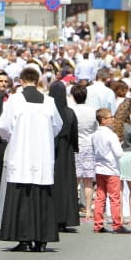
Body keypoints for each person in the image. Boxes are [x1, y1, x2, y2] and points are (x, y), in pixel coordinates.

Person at [0, 67, 63, 252]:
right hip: (42, 155)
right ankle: (42, 239)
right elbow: (57, 126)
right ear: (37, 81)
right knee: (42, 195)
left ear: (22, 80)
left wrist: (15, 137)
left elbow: (4, 126)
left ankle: (24, 239)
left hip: (21, 153)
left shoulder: (15, 100)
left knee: (22, 196)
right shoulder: (49, 102)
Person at [91, 108, 131, 234]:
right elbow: (119, 153)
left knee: (100, 197)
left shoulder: (95, 134)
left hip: (99, 167)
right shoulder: (111, 135)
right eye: (110, 117)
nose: (112, 119)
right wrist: (119, 144)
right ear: (103, 120)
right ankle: (117, 224)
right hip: (111, 168)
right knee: (114, 197)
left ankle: (98, 224)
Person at [49, 81, 80, 232]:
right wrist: (74, 146)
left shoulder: (48, 111)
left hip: (50, 151)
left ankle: (51, 217)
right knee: (66, 185)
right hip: (66, 152)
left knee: (52, 184)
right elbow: (74, 134)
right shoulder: (69, 112)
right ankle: (65, 218)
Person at [113, 98, 131, 225]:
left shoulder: (112, 128)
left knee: (118, 189)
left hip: (116, 157)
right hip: (129, 156)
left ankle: (119, 216)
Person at [71, 84, 97, 221]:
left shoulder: (71, 110)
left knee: (74, 181)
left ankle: (72, 209)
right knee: (88, 181)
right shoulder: (93, 111)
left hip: (75, 146)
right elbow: (96, 129)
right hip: (89, 146)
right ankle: (88, 210)